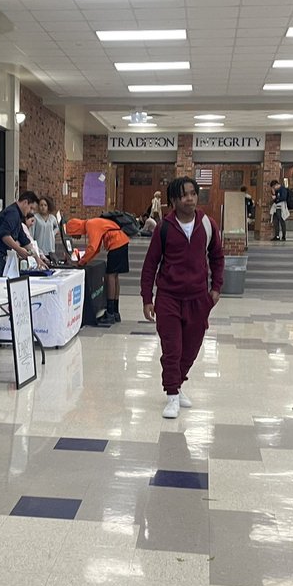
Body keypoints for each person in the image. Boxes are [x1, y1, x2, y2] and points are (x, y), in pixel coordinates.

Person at [140, 176, 224, 419]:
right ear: (174, 200)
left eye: (193, 193)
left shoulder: (208, 225)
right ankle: (172, 395)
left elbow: (217, 258)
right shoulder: (164, 228)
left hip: (199, 299)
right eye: (184, 194)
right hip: (168, 297)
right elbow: (150, 265)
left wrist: (215, 289)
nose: (190, 198)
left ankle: (177, 385)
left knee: (191, 349)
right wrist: (148, 298)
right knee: (172, 349)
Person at [65, 215, 131, 325]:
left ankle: (110, 313)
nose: (75, 237)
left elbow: (93, 247)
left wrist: (81, 262)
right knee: (115, 276)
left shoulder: (90, 224)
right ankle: (115, 311)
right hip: (122, 241)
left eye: (72, 234)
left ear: (75, 228)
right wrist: (85, 260)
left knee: (110, 276)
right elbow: (96, 249)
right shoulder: (93, 223)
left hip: (116, 243)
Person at [0, 190, 38, 278]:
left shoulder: (17, 216)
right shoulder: (13, 213)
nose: (31, 212)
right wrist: (19, 249)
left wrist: (38, 259)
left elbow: (24, 240)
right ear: (25, 202)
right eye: (31, 208)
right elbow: (4, 235)